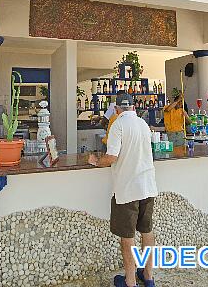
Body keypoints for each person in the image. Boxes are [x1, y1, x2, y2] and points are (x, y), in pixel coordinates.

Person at [88, 93, 157, 287]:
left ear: (117, 109)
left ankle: (130, 281)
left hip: (128, 189)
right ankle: (149, 276)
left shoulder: (118, 125)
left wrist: (95, 161)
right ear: (133, 108)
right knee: (147, 231)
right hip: (148, 185)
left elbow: (111, 157)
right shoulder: (143, 124)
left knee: (127, 236)